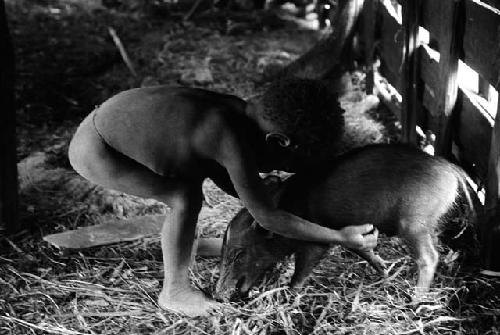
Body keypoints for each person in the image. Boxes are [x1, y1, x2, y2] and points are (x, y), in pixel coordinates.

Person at [68, 78, 378, 316]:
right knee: (184, 197)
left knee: (231, 190)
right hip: (99, 150)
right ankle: (174, 291)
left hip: (123, 124)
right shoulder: (227, 136)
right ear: (279, 141)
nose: (282, 170)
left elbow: (242, 188)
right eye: (289, 163)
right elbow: (266, 216)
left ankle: (195, 246)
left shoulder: (246, 113)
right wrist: (337, 236)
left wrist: (272, 200)